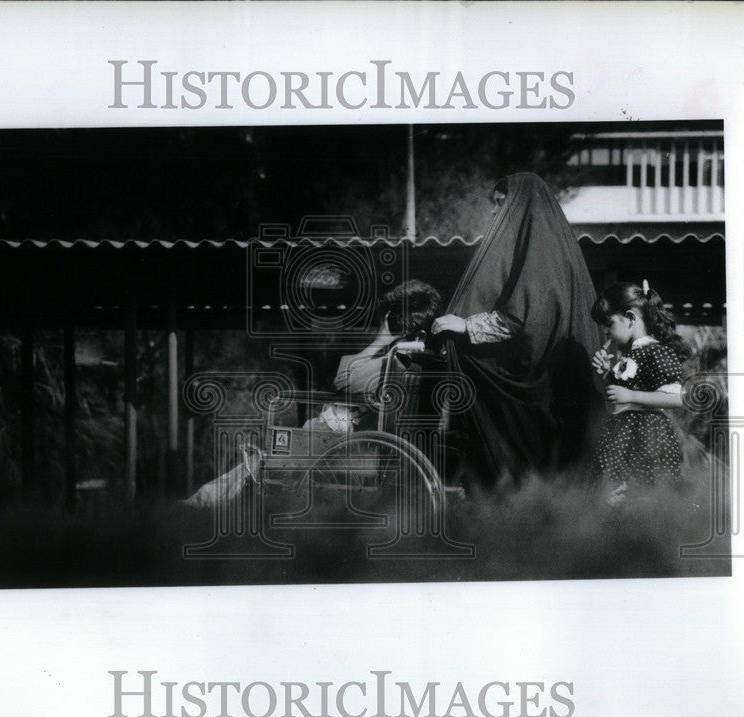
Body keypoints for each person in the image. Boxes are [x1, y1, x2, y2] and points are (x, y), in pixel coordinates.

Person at [183, 280, 442, 508]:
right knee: (248, 470)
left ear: (413, 332)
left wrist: (379, 340)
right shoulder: (416, 364)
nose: (386, 328)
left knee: (249, 471)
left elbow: (341, 380)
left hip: (327, 445)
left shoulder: (393, 362)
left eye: (392, 324)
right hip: (340, 444)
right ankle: (201, 502)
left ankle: (196, 506)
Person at [430, 173, 603, 486]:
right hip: (550, 387)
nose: (495, 213)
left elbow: (525, 318)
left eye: (501, 203)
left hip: (544, 391)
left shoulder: (542, 255)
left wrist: (465, 325)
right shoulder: (546, 248)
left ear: (523, 206)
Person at [589, 280, 688, 506]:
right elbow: (626, 391)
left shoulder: (657, 351)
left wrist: (631, 396)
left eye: (609, 324)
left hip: (648, 436)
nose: (605, 332)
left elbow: (676, 397)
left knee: (643, 496)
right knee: (615, 498)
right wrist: (607, 373)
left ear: (631, 318)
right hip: (622, 435)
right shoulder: (632, 354)